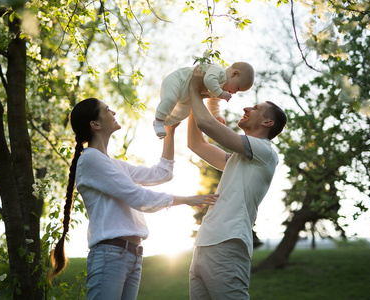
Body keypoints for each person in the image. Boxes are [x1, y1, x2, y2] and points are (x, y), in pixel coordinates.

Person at [48, 98, 218, 300]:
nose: (114, 113)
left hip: (132, 255)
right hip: (110, 254)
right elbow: (137, 196)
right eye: (107, 110)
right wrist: (186, 199)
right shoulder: (90, 159)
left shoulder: (115, 164)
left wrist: (170, 133)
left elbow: (162, 173)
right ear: (95, 124)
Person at [187, 67, 287, 299]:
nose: (246, 108)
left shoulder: (265, 152)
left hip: (227, 245)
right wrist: (199, 97)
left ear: (268, 122)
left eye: (256, 109)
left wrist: (193, 88)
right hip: (204, 246)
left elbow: (208, 126)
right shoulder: (239, 160)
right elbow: (196, 144)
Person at [154, 62, 255, 138]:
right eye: (237, 88)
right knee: (170, 99)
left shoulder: (218, 90)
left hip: (186, 96)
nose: (234, 92)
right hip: (178, 81)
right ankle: (159, 120)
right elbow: (209, 80)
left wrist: (216, 115)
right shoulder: (218, 71)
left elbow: (213, 103)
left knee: (184, 113)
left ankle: (165, 122)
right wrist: (220, 93)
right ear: (234, 74)